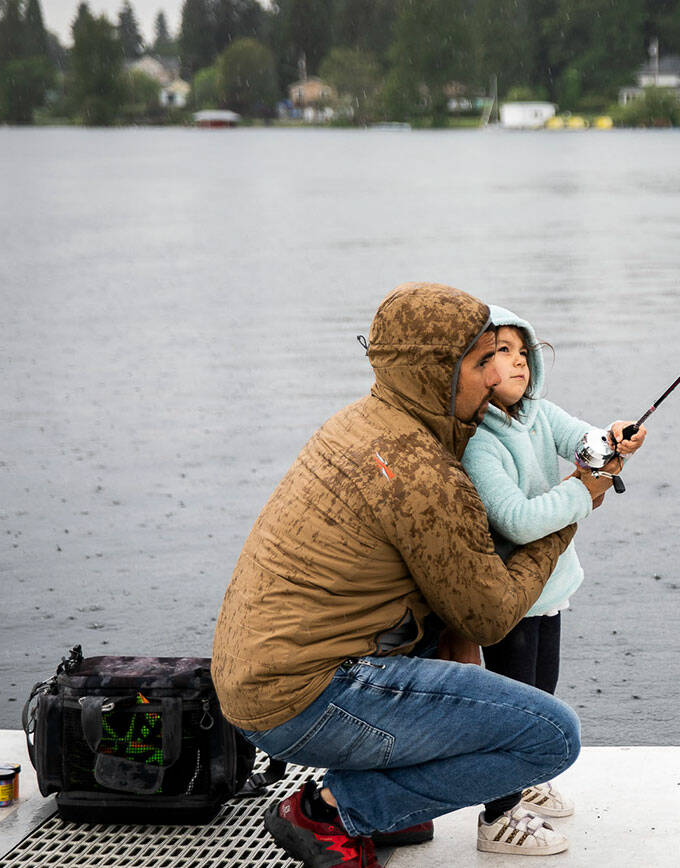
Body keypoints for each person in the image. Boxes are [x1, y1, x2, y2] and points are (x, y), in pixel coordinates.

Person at [211, 283, 621, 868]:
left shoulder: (360, 422)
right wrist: (577, 501)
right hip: (307, 701)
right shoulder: (422, 471)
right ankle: (330, 810)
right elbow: (491, 615)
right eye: (480, 362)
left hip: (257, 685)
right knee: (549, 736)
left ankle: (382, 811)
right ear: (435, 374)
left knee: (442, 627)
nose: (494, 377)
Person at [460, 306, 646, 848]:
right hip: (511, 595)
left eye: (523, 354)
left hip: (552, 589)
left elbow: (586, 444)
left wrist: (614, 441)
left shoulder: (541, 414)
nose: (518, 364)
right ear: (472, 368)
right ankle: (496, 817)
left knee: (543, 695)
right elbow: (515, 520)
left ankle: (524, 779)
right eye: (500, 355)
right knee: (514, 708)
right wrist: (584, 492)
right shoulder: (478, 442)